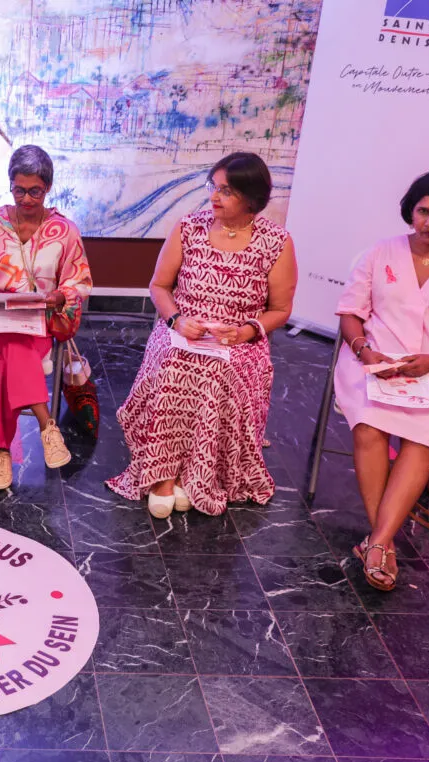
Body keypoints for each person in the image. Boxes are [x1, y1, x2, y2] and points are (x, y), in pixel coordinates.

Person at [107, 152, 297, 518]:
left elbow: (280, 309)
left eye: (227, 191)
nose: (214, 197)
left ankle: (197, 473)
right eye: (214, 186)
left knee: (218, 371)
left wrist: (245, 331)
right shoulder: (189, 227)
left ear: (251, 198)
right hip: (180, 330)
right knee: (175, 363)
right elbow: (159, 286)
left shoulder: (277, 241)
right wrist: (177, 320)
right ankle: (163, 475)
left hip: (238, 342)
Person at [335, 170, 429, 591]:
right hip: (374, 361)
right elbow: (350, 312)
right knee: (369, 428)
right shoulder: (380, 252)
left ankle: (377, 542)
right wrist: (365, 351)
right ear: (411, 211)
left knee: (421, 441)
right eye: (423, 211)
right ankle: (382, 543)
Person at [0, 145, 93, 491]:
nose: (26, 199)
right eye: (19, 190)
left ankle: (1, 450)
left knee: (10, 358)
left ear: (48, 188)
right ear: (10, 184)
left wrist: (59, 295)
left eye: (35, 191)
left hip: (37, 318)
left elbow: (78, 281)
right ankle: (47, 425)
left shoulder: (65, 231)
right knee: (15, 345)